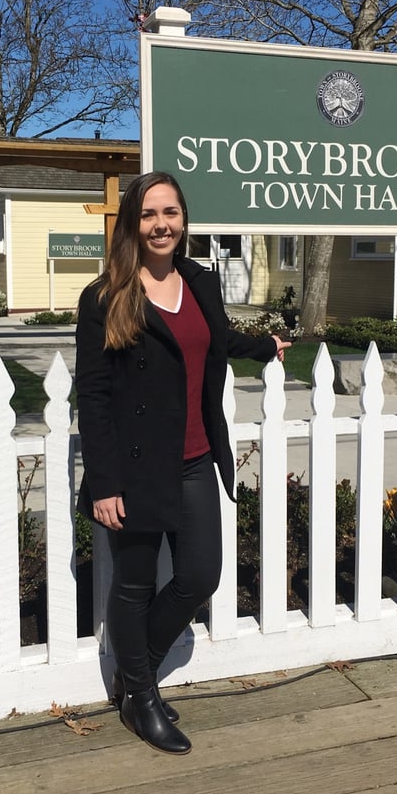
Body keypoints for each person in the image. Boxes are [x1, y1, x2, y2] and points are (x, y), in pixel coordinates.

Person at [75, 171, 290, 755]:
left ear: (183, 221)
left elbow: (213, 340)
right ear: (131, 224)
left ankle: (132, 673)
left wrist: (265, 346)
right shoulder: (105, 297)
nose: (161, 224)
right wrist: (106, 482)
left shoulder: (199, 280)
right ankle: (141, 700)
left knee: (199, 575)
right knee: (136, 584)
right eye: (148, 214)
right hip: (135, 465)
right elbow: (91, 397)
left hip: (195, 455)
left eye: (169, 212)